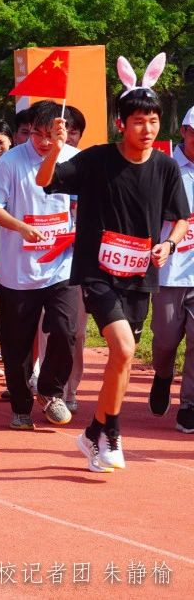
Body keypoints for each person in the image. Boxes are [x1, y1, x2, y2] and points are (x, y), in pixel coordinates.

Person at [39, 59, 188, 472]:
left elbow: (181, 218)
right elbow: (45, 181)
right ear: (121, 123)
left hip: (140, 274)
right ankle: (114, 434)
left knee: (122, 359)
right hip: (98, 270)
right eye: (139, 121)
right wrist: (54, 150)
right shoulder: (96, 160)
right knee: (122, 347)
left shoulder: (166, 166)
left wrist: (168, 245)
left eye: (153, 121)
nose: (148, 129)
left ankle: (94, 433)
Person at [0, 100, 78, 430]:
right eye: (37, 133)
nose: (43, 142)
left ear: (63, 131)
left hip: (60, 264)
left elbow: (84, 203)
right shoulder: (10, 162)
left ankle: (50, 391)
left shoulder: (73, 159)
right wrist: (21, 227)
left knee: (66, 329)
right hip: (18, 270)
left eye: (51, 135)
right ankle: (21, 404)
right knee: (17, 342)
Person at [152, 104, 194, 434]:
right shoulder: (164, 165)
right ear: (184, 131)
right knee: (166, 340)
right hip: (169, 270)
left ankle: (189, 405)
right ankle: (163, 374)